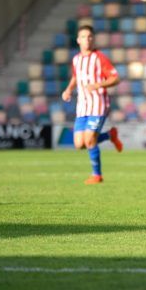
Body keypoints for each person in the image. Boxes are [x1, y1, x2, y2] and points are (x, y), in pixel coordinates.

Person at [61, 25, 123, 184]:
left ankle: (97, 175)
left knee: (89, 140)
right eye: (83, 37)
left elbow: (115, 78)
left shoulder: (99, 58)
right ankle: (110, 135)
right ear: (78, 40)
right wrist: (68, 90)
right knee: (79, 144)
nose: (86, 40)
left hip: (98, 104)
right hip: (82, 106)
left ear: (93, 39)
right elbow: (76, 76)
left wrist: (98, 85)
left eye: (89, 37)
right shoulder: (76, 59)